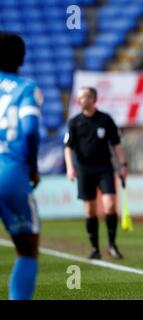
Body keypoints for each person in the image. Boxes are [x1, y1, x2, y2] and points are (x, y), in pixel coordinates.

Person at [0, 32, 42, 300]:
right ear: (22, 58)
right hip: (10, 174)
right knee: (27, 249)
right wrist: (33, 167)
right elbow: (30, 131)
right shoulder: (26, 88)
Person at [64, 87, 127, 260]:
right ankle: (94, 248)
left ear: (92, 99)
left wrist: (123, 165)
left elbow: (116, 144)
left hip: (104, 168)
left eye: (83, 97)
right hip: (84, 170)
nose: (79, 100)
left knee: (110, 204)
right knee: (90, 210)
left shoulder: (105, 119)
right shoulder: (74, 122)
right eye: (78, 97)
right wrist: (70, 167)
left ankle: (112, 245)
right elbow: (68, 147)